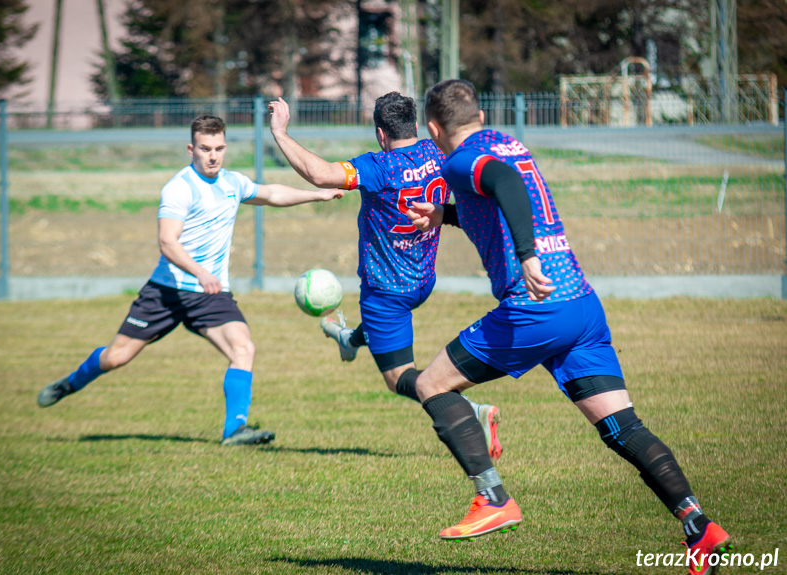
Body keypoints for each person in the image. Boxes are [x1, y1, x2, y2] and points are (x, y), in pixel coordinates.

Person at [408, 79, 731, 575]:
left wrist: (527, 257)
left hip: (536, 308)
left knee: (431, 383)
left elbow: (505, 187)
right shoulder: (505, 143)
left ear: (433, 129)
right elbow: (500, 196)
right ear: (477, 114)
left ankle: (494, 499)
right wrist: (445, 215)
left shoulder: (459, 160)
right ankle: (698, 524)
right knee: (622, 427)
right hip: (581, 305)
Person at [37, 114, 342, 446]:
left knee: (244, 348)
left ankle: (235, 431)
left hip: (210, 296)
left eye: (219, 148)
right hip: (167, 292)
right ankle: (70, 383)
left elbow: (270, 193)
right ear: (191, 148)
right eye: (205, 148)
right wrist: (200, 272)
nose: (213, 155)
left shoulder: (231, 183)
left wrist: (318, 194)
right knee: (116, 357)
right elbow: (168, 241)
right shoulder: (179, 188)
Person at [268, 93, 502, 462]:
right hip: (423, 280)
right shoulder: (437, 153)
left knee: (399, 379)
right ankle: (350, 339)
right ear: (416, 125)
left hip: (386, 291)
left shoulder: (379, 167)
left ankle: (472, 410)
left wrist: (280, 133)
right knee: (376, 331)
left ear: (381, 134)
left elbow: (320, 174)